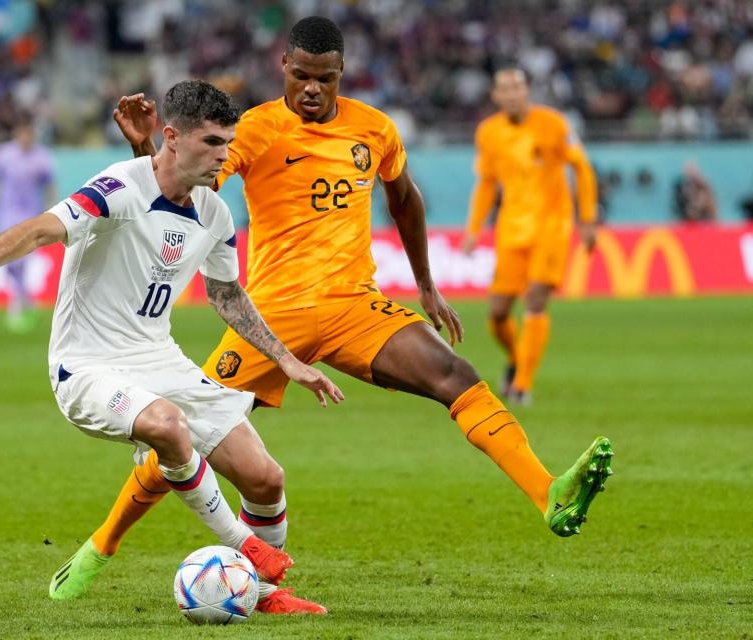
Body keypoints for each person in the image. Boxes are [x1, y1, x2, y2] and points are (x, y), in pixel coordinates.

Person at [83, 16, 615, 613]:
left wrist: (426, 285)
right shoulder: (253, 130)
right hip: (273, 317)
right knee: (188, 433)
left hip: (354, 306)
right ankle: (100, 545)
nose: (313, 88)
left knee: (457, 379)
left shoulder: (374, 129)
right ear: (284, 67)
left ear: (342, 75)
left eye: (326, 78)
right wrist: (143, 148)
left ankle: (550, 493)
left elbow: (405, 198)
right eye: (303, 75)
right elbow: (177, 180)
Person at [0, 79, 344, 605]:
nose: (223, 156)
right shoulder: (117, 187)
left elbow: (226, 296)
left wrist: (286, 360)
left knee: (266, 477)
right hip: (87, 366)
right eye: (211, 143)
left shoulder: (215, 215)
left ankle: (266, 593)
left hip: (159, 359)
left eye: (228, 143)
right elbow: (46, 227)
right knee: (167, 425)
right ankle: (246, 547)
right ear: (173, 137)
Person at [462, 68, 598, 405]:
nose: (512, 94)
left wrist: (588, 218)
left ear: (527, 91)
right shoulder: (488, 132)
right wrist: (474, 228)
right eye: (505, 88)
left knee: (536, 298)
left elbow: (582, 168)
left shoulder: (554, 124)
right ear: (495, 96)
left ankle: (522, 385)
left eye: (518, 87)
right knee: (497, 312)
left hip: (552, 225)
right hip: (511, 228)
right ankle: (516, 358)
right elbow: (486, 183)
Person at [0, 113, 56, 332]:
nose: (26, 138)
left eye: (29, 134)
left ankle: (17, 303)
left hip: (29, 214)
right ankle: (26, 299)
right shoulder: (3, 155)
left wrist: (51, 209)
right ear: (17, 134)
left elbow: (49, 186)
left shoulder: (42, 158)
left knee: (22, 259)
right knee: (7, 259)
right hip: (6, 212)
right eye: (22, 133)